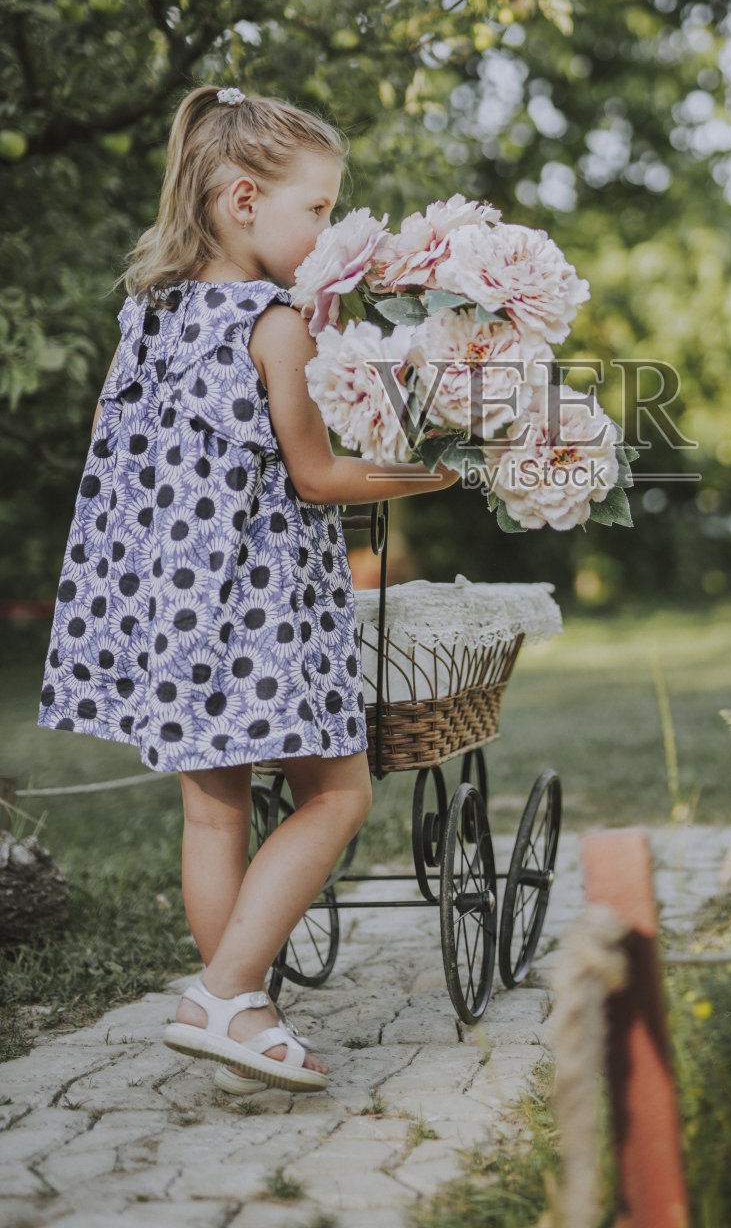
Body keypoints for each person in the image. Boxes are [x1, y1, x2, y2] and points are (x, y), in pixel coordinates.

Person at [38, 85, 459, 1093]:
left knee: (214, 815)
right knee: (338, 791)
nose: (326, 232)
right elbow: (316, 476)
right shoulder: (271, 325)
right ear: (240, 202)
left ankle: (247, 1027)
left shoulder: (149, 313)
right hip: (259, 605)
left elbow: (118, 455)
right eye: (315, 210)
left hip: (167, 603)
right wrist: (429, 470)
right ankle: (223, 988)